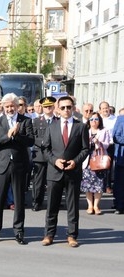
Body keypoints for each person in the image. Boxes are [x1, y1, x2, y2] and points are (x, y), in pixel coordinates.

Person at [40, 96, 90, 247]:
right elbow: (45, 149)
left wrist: (75, 162)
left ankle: (72, 235)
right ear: (57, 109)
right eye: (63, 108)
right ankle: (49, 235)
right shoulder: (51, 127)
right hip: (55, 172)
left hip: (73, 172)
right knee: (52, 206)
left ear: (73, 108)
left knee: (72, 206)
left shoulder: (80, 127)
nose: (66, 110)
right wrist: (55, 160)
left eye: (69, 107)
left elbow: (86, 149)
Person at [0, 93, 35, 244]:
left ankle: (19, 232)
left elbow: (30, 141)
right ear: (3, 106)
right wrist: (8, 136)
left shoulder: (25, 121)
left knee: (19, 200)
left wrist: (17, 135)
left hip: (19, 165)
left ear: (17, 106)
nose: (10, 109)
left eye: (12, 106)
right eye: (7, 106)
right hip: (2, 165)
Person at [81, 112, 112, 215]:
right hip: (87, 160)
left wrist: (98, 142)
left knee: (99, 184)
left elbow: (107, 145)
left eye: (96, 119)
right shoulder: (86, 130)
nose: (94, 121)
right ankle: (90, 205)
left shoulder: (104, 131)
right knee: (87, 184)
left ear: (100, 121)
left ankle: (96, 205)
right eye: (92, 119)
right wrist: (89, 142)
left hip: (99, 160)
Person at [30, 97, 57, 212]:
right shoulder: (36, 121)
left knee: (53, 181)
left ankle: (54, 202)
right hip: (40, 154)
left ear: (53, 107)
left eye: (50, 106)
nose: (48, 108)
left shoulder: (58, 121)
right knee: (38, 181)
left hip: (54, 154)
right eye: (45, 107)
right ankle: (37, 201)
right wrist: (43, 142)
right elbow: (32, 137)